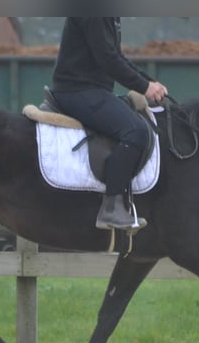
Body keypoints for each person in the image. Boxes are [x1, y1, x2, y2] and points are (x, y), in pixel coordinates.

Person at [50, 18, 169, 230]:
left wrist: (149, 83)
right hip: (78, 90)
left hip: (92, 89)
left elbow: (117, 56)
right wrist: (144, 86)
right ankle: (112, 207)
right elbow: (107, 59)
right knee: (136, 132)